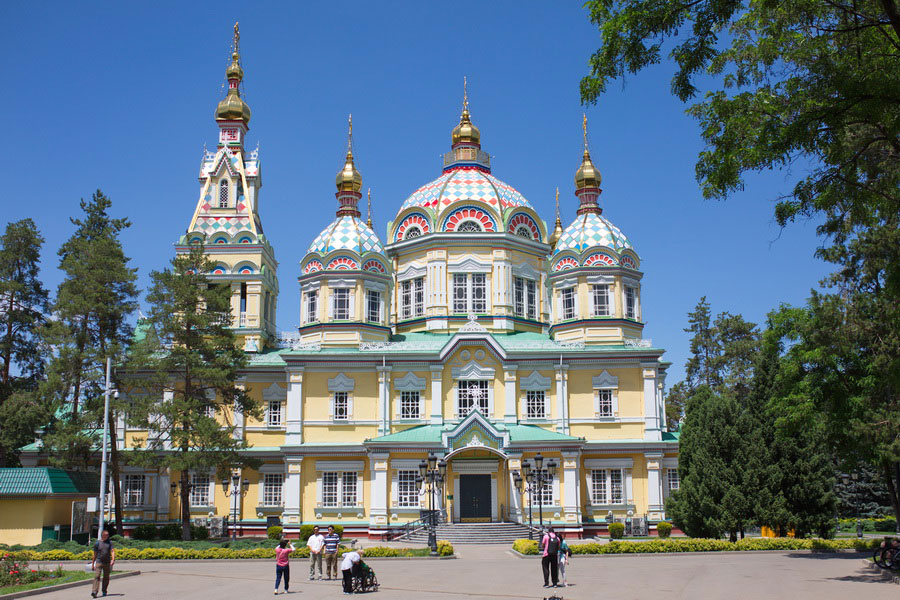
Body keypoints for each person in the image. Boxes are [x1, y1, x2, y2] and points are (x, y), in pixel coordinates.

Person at [90, 529, 115, 598]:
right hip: (99, 562)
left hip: (107, 562)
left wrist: (113, 559)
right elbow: (94, 554)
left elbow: (112, 551)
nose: (107, 536)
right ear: (102, 535)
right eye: (106, 535)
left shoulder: (110, 542)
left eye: (108, 535)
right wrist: (93, 564)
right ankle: (94, 591)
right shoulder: (97, 543)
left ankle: (104, 590)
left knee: (106, 577)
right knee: (97, 576)